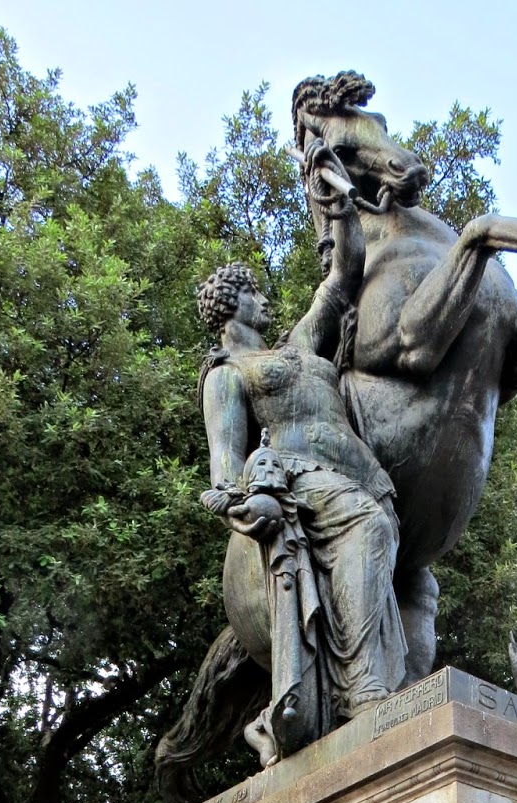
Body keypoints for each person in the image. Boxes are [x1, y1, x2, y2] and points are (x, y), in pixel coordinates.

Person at [196, 141, 406, 766]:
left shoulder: (298, 344)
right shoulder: (229, 370)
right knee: (365, 527)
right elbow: (223, 467)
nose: (264, 299)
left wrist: (338, 202)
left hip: (356, 473)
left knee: (386, 539)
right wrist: (243, 503)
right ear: (232, 306)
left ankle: (368, 685)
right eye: (253, 293)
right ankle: (364, 695)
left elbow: (342, 279)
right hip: (296, 477)